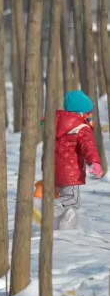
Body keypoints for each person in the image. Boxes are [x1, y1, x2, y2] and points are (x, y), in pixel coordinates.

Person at [41, 90, 103, 229]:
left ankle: (58, 225)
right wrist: (95, 162)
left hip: (51, 170)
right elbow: (89, 147)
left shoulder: (54, 122)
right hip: (70, 173)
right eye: (88, 112)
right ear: (82, 112)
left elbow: (43, 122)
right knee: (71, 202)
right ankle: (50, 211)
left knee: (63, 199)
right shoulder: (82, 127)